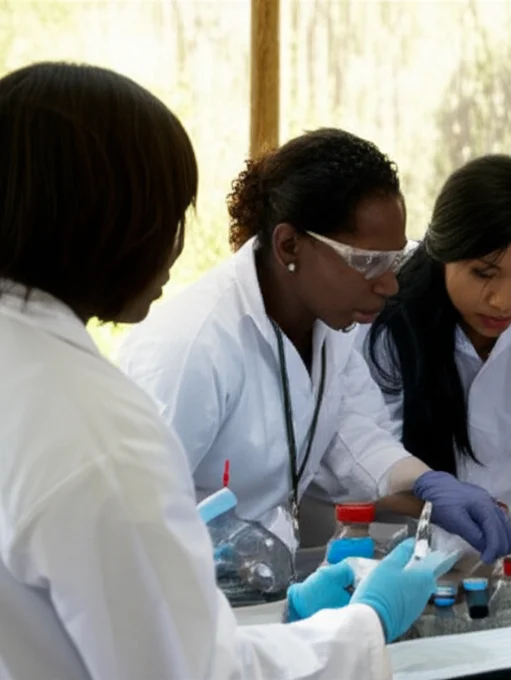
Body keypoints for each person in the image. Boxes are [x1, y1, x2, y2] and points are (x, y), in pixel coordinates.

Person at [0, 61, 444, 680]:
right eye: (171, 216)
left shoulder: (22, 367)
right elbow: (195, 671)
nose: (175, 246)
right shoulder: (103, 425)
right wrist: (363, 627)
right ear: (106, 222)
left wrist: (289, 607)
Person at [118, 128, 511, 564]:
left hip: (257, 585)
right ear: (289, 245)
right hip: (184, 592)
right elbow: (128, 521)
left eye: (395, 261)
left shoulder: (329, 330)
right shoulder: (196, 345)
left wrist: (429, 487)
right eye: (368, 262)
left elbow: (355, 440)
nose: (390, 284)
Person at [361, 154, 511, 552]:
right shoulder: (384, 326)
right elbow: (363, 462)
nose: (504, 301)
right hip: (393, 554)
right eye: (483, 274)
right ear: (444, 252)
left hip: (501, 556)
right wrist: (441, 504)